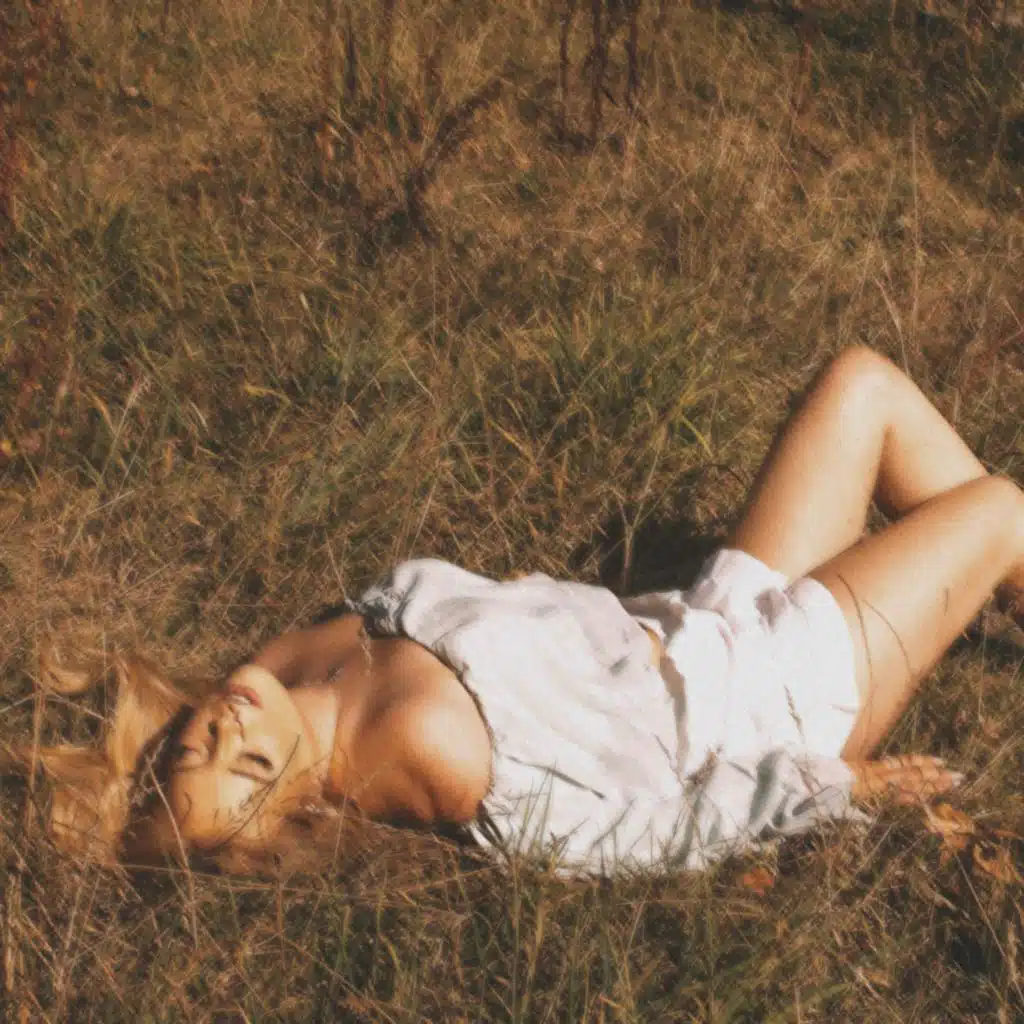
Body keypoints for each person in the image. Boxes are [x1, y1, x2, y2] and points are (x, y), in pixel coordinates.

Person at [7, 346, 1023, 875]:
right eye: (253, 771)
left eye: (198, 748)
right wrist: (825, 786)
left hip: (706, 621)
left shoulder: (282, 661)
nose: (231, 733)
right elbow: (635, 840)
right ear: (300, 811)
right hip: (768, 701)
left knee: (861, 387)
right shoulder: (425, 758)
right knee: (1001, 511)